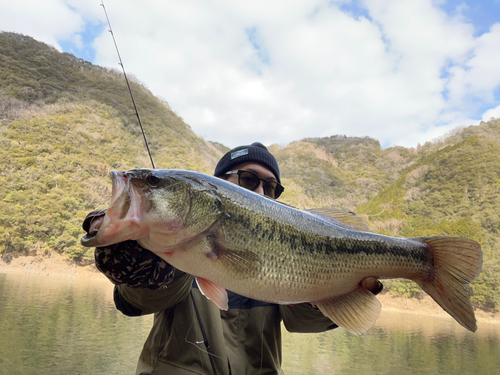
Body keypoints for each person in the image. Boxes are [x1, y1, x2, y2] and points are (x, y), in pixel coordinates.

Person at [83, 142, 383, 375]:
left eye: (272, 187)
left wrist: (344, 288)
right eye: (250, 179)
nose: (263, 191)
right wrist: (142, 267)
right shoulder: (169, 243)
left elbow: (302, 322)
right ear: (215, 187)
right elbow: (137, 304)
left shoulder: (285, 250)